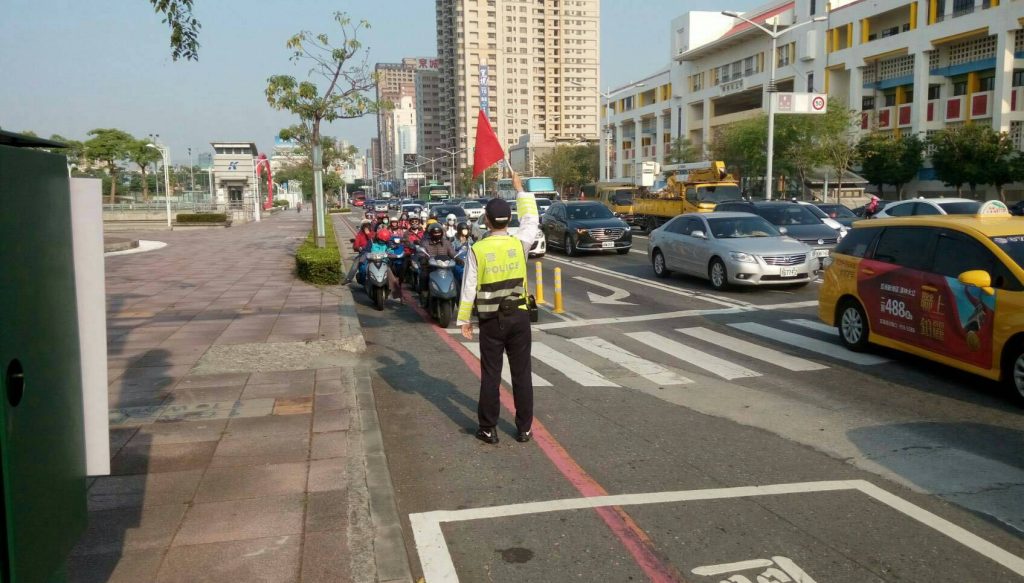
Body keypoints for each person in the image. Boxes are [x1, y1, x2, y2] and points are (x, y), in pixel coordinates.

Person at [457, 172, 538, 445]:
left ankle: (488, 429)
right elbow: (531, 221)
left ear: (487, 221)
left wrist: (464, 320)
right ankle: (525, 429)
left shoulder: (477, 249)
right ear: (508, 220)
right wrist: (521, 190)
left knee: (491, 375)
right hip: (519, 317)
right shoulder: (520, 244)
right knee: (522, 374)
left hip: (491, 321)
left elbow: (468, 287)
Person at [417, 222, 458, 302]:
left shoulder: (446, 242)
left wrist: (458, 258)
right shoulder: (425, 242)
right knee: (424, 276)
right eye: (435, 232)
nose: (437, 234)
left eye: (439, 232)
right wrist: (423, 258)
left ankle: (457, 299)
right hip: (430, 268)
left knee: (456, 278)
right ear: (430, 233)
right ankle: (424, 294)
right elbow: (421, 253)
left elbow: (452, 252)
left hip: (445, 268)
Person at [343, 220, 375, 284]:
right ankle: (349, 278)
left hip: (374, 253)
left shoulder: (373, 233)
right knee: (356, 264)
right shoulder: (360, 235)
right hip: (364, 253)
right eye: (365, 226)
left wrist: (368, 234)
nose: (366, 227)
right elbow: (356, 245)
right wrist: (358, 248)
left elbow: (374, 241)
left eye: (368, 226)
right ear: (362, 227)